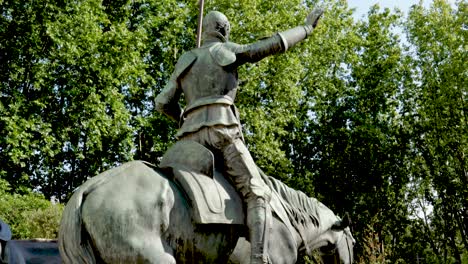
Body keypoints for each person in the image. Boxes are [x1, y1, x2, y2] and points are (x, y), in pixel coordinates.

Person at [155, 9, 322, 264]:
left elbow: (162, 102)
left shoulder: (185, 60)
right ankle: (259, 258)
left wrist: (185, 118)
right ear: (223, 30)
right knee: (258, 193)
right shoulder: (225, 51)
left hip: (188, 141)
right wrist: (306, 29)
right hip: (222, 133)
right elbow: (269, 45)